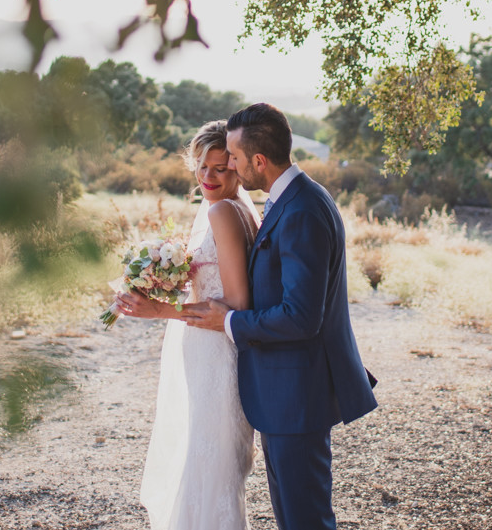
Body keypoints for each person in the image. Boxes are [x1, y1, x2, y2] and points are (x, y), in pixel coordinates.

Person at [181, 102, 376, 530]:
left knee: (306, 519)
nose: (226, 166)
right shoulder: (291, 198)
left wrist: (228, 322)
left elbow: (301, 316)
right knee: (293, 517)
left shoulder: (302, 209)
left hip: (297, 393)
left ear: (258, 161)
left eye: (232, 158)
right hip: (284, 391)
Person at [113, 120, 261, 530]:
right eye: (202, 167)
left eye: (221, 168)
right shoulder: (234, 209)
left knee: (210, 469)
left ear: (237, 166)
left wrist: (158, 311)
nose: (208, 177)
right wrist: (162, 282)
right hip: (206, 350)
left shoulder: (224, 213)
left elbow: (236, 304)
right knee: (207, 466)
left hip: (217, 355)